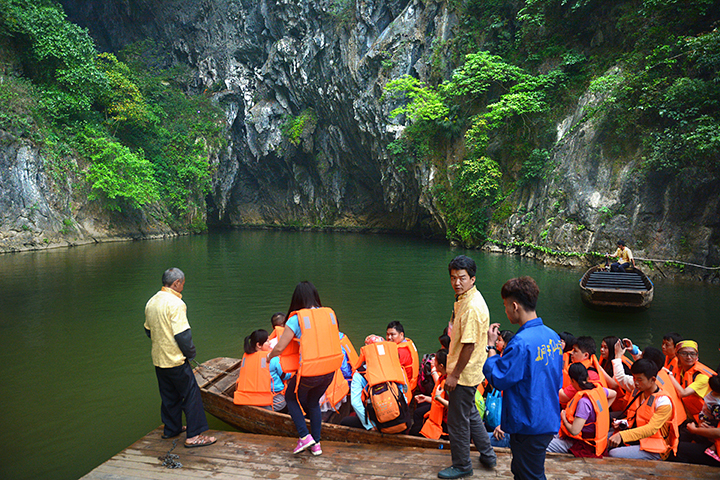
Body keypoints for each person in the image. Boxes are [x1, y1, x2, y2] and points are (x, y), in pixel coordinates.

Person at [484, 276, 563, 480]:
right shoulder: (552, 336)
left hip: (529, 421)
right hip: (546, 416)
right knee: (523, 470)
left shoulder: (520, 343)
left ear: (515, 306)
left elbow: (499, 377)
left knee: (530, 475)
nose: (506, 310)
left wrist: (491, 347)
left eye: (505, 305)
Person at [267, 281, 344, 456]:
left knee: (291, 397)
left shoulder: (296, 319)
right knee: (313, 402)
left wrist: (269, 357)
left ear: (297, 299)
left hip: (310, 372)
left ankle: (304, 436)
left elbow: (279, 347)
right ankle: (316, 444)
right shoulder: (329, 314)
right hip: (330, 371)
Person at [437, 255, 496, 480]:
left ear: (472, 278)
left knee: (457, 421)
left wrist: (454, 375)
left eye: (462, 278)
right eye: (453, 278)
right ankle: (488, 455)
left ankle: (462, 465)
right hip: (472, 371)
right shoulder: (466, 298)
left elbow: (469, 345)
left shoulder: (471, 306)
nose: (457, 282)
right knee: (469, 412)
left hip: (464, 373)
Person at [143, 268, 216, 448]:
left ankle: (171, 429)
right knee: (191, 395)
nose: (183, 285)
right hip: (175, 359)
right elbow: (183, 335)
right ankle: (194, 435)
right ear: (176, 283)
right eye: (182, 283)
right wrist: (191, 353)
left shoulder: (152, 301)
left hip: (159, 358)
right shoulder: (175, 303)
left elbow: (148, 330)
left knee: (169, 395)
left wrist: (162, 341)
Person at [608, 359, 679, 460]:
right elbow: (637, 418)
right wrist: (622, 422)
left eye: (640, 380)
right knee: (602, 441)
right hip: (637, 438)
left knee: (614, 453)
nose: (636, 383)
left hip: (655, 447)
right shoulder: (638, 392)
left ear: (653, 380)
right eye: (634, 378)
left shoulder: (663, 402)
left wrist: (622, 435)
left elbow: (651, 428)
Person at [340, 335, 409, 432]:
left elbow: (355, 403)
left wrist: (369, 425)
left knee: (345, 421)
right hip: (401, 420)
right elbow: (404, 394)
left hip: (378, 423)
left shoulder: (359, 374)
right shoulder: (397, 367)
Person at [546, 363, 615, 457]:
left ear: (572, 380)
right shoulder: (598, 390)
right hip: (595, 441)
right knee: (550, 434)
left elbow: (574, 431)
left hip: (584, 444)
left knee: (544, 445)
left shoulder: (584, 402)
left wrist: (564, 417)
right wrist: (600, 411)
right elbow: (613, 394)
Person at [234, 329, 288, 412]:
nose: (270, 343)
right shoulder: (272, 358)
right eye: (267, 341)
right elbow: (285, 375)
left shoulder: (246, 357)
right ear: (259, 345)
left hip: (247, 399)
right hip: (274, 401)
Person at [664, 340, 717, 423]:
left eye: (692, 354)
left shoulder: (702, 377)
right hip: (692, 417)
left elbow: (683, 393)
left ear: (697, 356)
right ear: (677, 355)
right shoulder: (681, 369)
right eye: (684, 353)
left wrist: (668, 374)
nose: (689, 357)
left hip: (708, 421)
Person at [672, 375, 720, 466]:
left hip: (716, 447)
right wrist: (701, 425)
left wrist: (695, 430)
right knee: (677, 436)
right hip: (707, 430)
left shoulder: (715, 403)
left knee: (677, 449)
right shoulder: (713, 399)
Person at [559, 336, 606, 406]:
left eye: (575, 351)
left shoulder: (585, 375)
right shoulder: (589, 368)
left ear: (585, 355)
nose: (571, 353)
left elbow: (562, 397)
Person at [411, 349, 448, 437]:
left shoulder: (447, 383)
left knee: (416, 423)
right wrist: (426, 398)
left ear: (441, 366)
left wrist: (438, 398)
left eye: (435, 360)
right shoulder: (443, 378)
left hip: (446, 422)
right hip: (440, 415)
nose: (433, 362)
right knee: (419, 412)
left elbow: (454, 407)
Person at [387, 320, 420, 398]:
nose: (389, 338)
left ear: (401, 335)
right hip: (413, 385)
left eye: (392, 335)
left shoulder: (400, 351)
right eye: (387, 334)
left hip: (406, 390)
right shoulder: (407, 342)